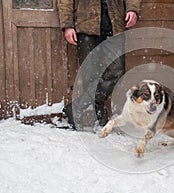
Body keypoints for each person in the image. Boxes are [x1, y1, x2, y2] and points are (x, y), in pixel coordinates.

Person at [58, 0, 141, 129]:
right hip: (87, 25)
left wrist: (133, 9)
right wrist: (67, 25)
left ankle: (76, 108)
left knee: (116, 72)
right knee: (90, 74)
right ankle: (98, 112)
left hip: (114, 25)